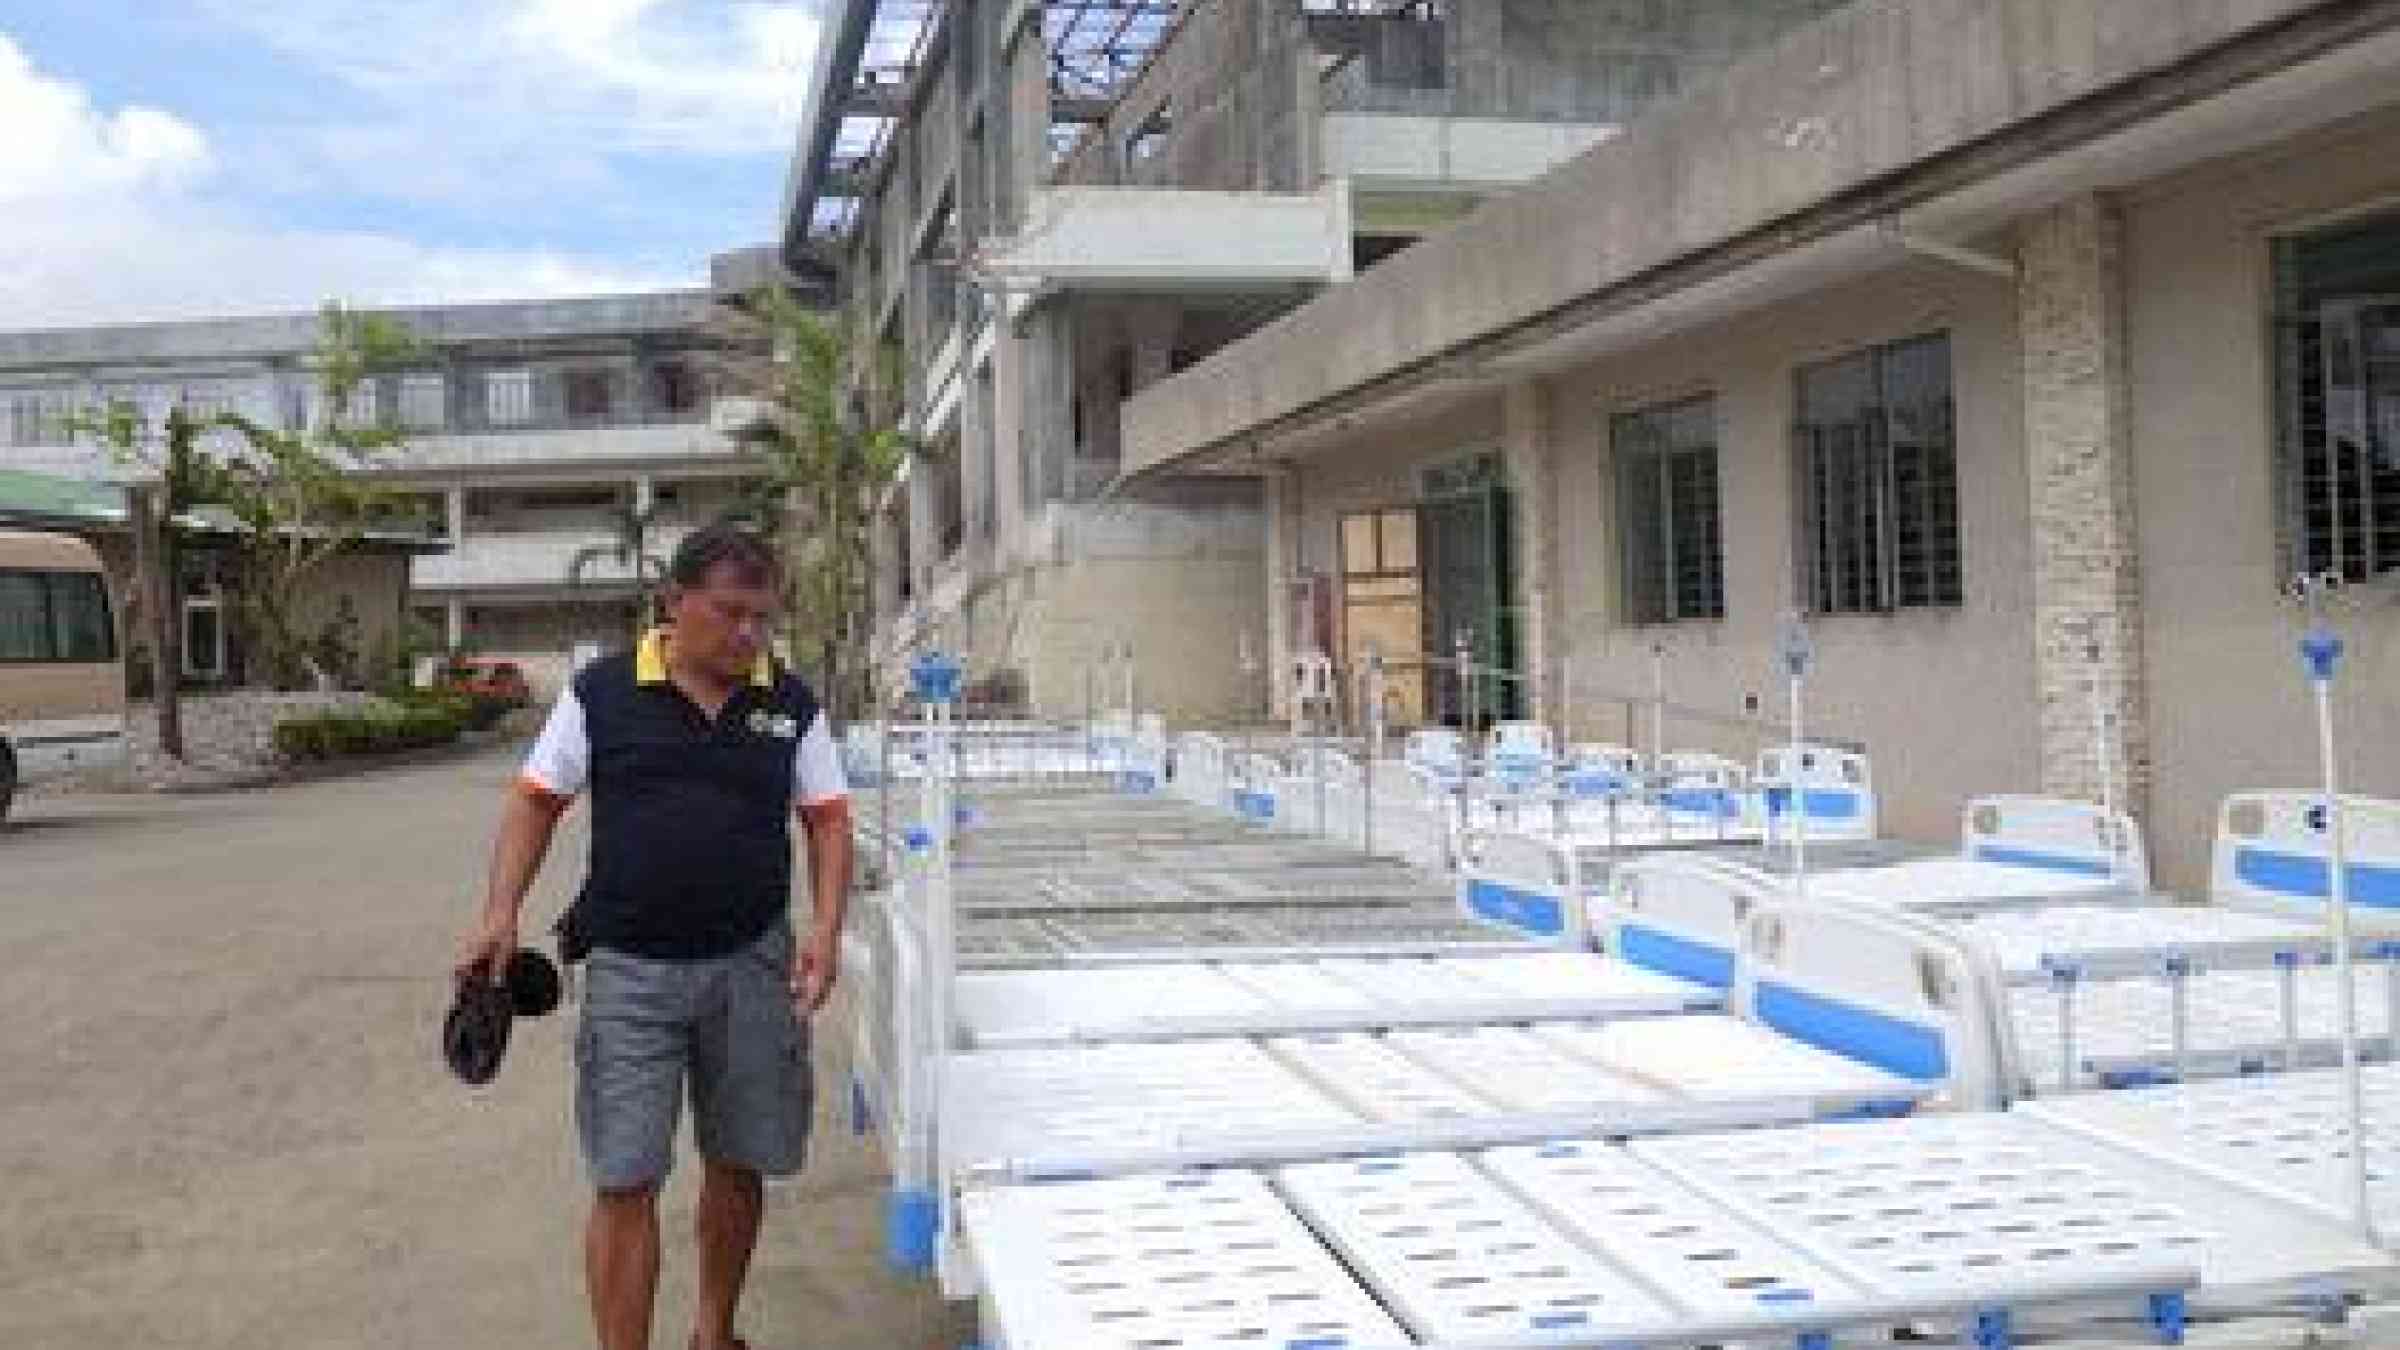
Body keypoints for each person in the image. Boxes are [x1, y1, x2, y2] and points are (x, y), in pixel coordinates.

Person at [457, 523, 852, 1350]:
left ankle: (715, 1332)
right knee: (625, 1176)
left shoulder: (789, 701)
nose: (749, 634)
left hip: (752, 963)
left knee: (740, 1161)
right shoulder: (602, 692)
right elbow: (536, 799)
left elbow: (827, 821)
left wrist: (826, 928)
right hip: (630, 970)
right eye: (730, 613)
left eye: (762, 618)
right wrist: (501, 912)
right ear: (675, 605)